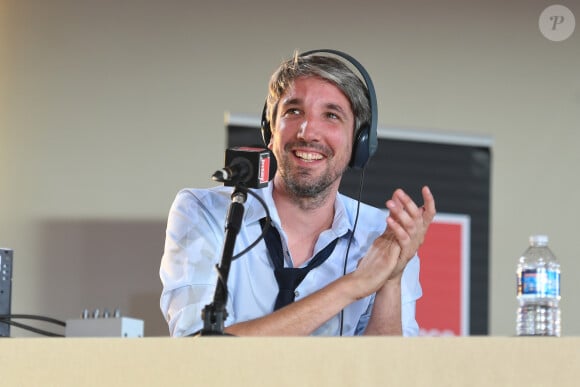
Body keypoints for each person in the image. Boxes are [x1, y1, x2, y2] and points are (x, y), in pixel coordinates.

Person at [160, 50, 436, 336]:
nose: (308, 132)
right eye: (294, 111)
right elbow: (196, 350)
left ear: (359, 141)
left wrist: (390, 280)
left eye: (331, 115)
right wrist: (352, 286)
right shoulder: (205, 210)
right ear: (270, 129)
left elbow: (386, 376)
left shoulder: (384, 236)